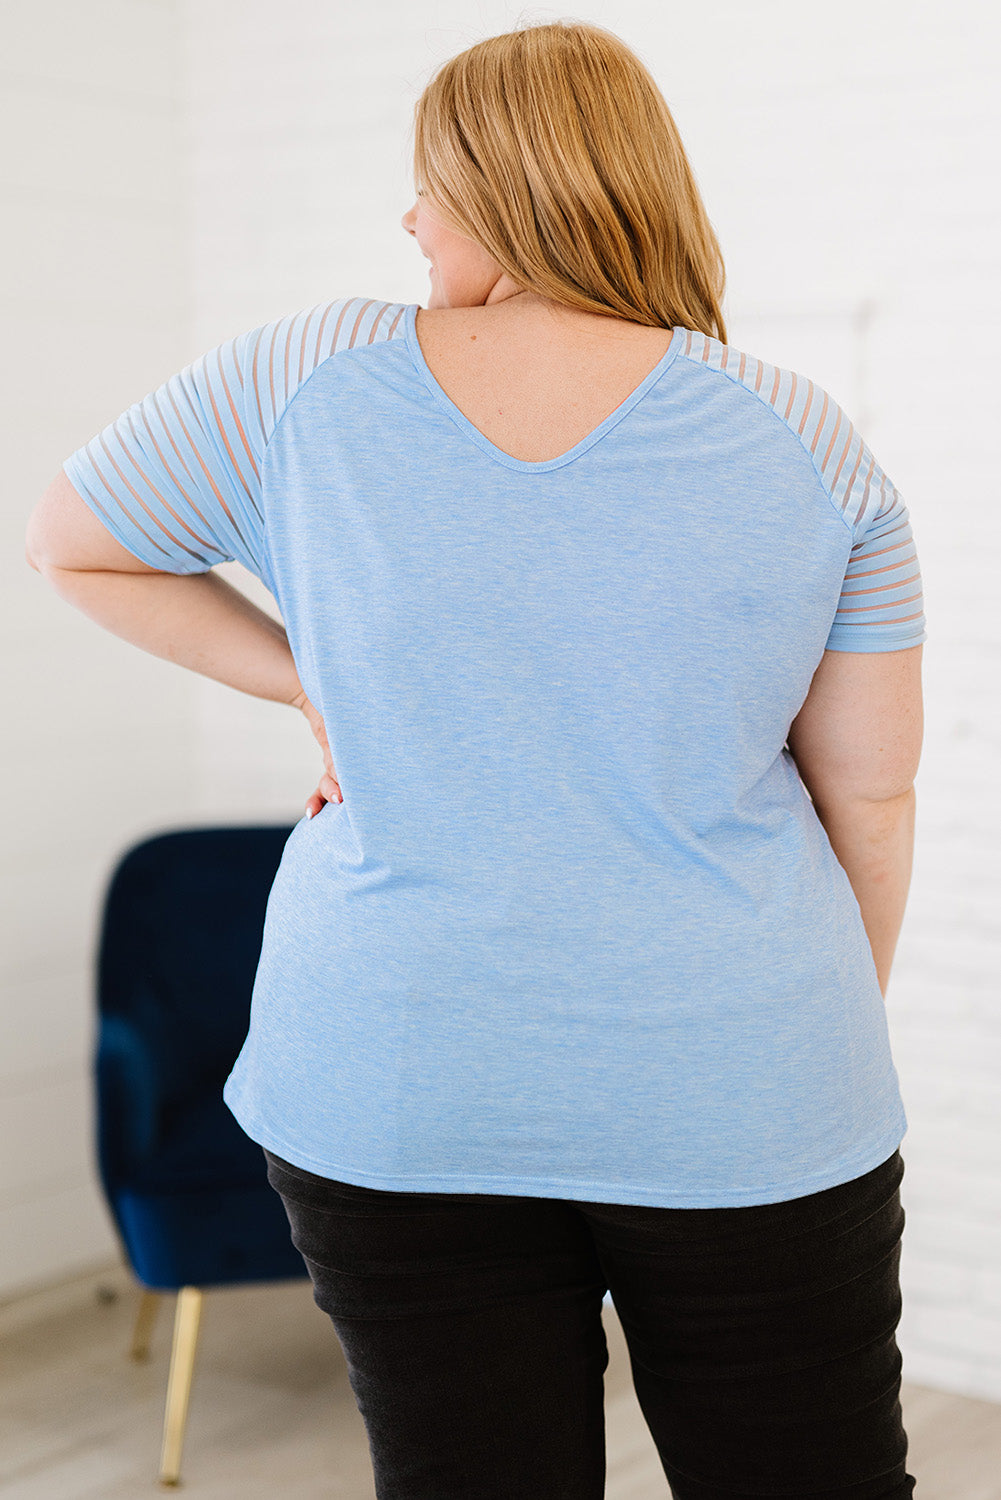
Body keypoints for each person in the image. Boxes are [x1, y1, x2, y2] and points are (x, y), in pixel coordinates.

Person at [25, 19, 923, 1500]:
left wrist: (307, 684)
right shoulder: (806, 436)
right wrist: (800, 1035)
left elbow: (76, 546)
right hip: (740, 1073)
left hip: (393, 1076)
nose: (409, 219)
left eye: (429, 184)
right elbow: (869, 796)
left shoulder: (302, 373)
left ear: (503, 189)